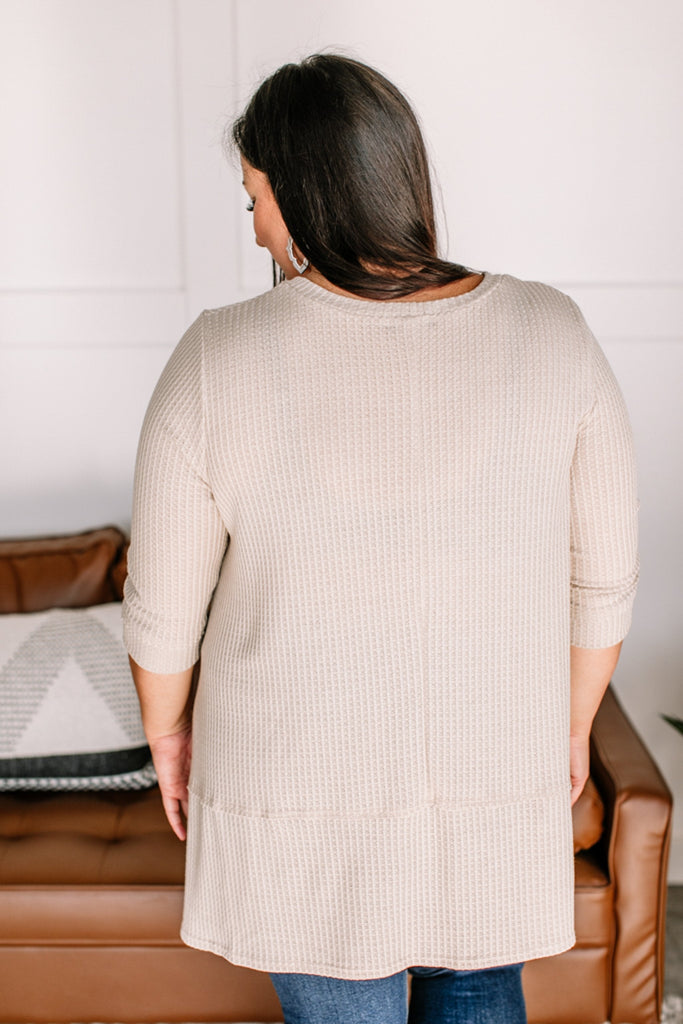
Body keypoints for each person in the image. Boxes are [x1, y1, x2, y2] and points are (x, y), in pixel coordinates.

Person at [122, 54, 639, 1024]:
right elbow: (602, 580)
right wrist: (567, 726)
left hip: (295, 793)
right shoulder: (550, 330)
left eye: (253, 197)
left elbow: (161, 613)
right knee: (480, 986)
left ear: (303, 193)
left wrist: (168, 734)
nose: (254, 225)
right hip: (494, 777)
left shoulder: (217, 355)